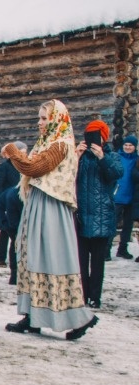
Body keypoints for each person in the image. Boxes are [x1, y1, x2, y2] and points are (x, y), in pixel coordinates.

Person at [2, 99, 98, 340]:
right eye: (39, 118)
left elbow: (35, 167)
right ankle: (34, 316)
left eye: (44, 118)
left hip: (51, 205)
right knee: (32, 256)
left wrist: (13, 151)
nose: (40, 122)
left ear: (57, 119)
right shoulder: (47, 142)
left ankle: (78, 317)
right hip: (39, 203)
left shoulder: (61, 144)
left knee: (52, 258)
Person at [74, 120, 122, 309]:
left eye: (96, 135)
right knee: (81, 261)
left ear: (104, 137)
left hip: (102, 216)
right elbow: (68, 176)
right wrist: (76, 157)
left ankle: (95, 296)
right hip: (82, 215)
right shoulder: (82, 158)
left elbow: (117, 173)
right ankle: (83, 295)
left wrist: (102, 158)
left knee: (98, 262)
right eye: (89, 134)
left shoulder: (112, 156)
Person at [0, 141, 25, 269]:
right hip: (6, 203)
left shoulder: (24, 166)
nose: (24, 155)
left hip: (20, 203)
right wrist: (0, 203)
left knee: (16, 233)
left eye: (25, 152)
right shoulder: (5, 167)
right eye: (21, 152)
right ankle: (1, 258)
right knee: (5, 232)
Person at [112, 134, 137, 259]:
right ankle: (106, 250)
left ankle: (123, 249)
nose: (127, 147)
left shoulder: (137, 159)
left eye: (130, 145)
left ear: (135, 147)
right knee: (113, 223)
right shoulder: (117, 156)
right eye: (126, 145)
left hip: (131, 196)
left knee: (128, 225)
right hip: (118, 195)